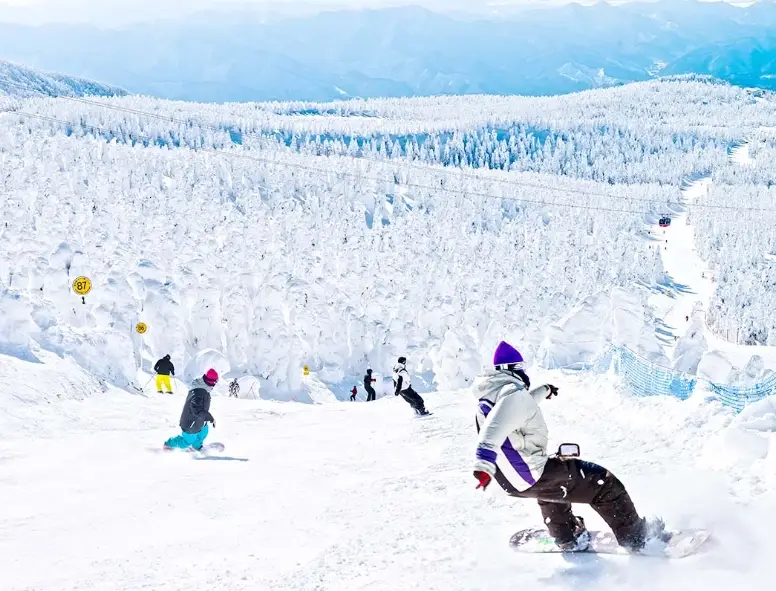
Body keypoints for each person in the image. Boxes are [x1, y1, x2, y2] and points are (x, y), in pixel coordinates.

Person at [471, 341, 663, 553]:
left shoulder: (494, 394)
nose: (524, 373)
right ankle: (637, 538)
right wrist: (482, 464)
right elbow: (492, 432)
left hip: (508, 480)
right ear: (512, 370)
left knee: (555, 481)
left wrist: (544, 390)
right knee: (603, 483)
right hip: (525, 472)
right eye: (520, 368)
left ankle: (567, 536)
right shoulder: (512, 394)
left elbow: (519, 406)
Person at [163, 369, 218, 451]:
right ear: (210, 382)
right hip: (190, 423)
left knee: (204, 432)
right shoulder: (198, 392)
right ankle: (169, 444)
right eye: (214, 382)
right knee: (186, 442)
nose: (214, 385)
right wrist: (209, 417)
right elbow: (196, 409)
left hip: (199, 420)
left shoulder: (203, 389)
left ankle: (196, 446)